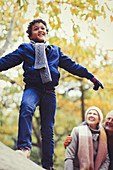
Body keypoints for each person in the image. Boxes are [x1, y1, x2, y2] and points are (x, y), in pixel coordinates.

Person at [0, 19, 104, 170]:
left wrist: (91, 77)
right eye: (36, 29)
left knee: (47, 129)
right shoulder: (25, 49)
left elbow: (73, 66)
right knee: (26, 107)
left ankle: (48, 165)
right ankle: (24, 149)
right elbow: (6, 61)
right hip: (33, 88)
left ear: (47, 33)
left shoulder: (55, 51)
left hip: (49, 92)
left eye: (43, 28)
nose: (40, 30)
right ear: (30, 35)